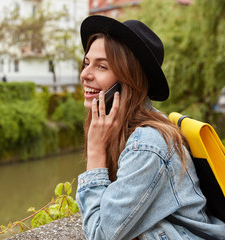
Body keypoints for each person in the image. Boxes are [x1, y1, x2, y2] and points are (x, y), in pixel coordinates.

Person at [75, 15, 225, 240]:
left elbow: (100, 234)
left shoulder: (147, 145)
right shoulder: (125, 132)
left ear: (128, 79)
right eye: (87, 63)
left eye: (101, 66)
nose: (85, 74)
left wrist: (95, 152)